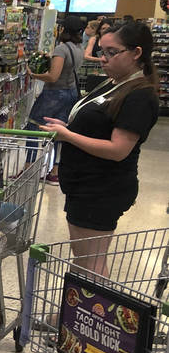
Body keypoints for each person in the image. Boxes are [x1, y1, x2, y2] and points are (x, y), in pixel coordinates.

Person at [39, 21, 161, 276]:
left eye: (111, 52)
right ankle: (80, 314)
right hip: (87, 185)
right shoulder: (116, 82)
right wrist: (68, 126)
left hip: (101, 188)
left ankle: (87, 314)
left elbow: (118, 149)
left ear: (136, 53)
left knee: (90, 263)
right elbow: (99, 123)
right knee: (87, 258)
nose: (102, 59)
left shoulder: (139, 95)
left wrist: (68, 135)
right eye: (101, 51)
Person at [27, 15, 84, 183]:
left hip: (54, 94)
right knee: (59, 130)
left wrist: (33, 74)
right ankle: (55, 171)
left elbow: (53, 77)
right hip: (71, 93)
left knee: (32, 126)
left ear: (63, 29)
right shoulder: (79, 47)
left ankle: (28, 168)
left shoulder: (61, 49)